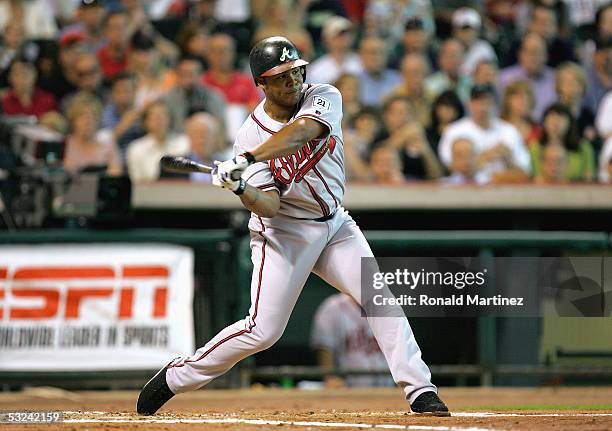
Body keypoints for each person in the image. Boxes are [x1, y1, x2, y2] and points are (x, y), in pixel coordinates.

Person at [137, 36, 449, 417]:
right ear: (262, 84)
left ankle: (420, 391)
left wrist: (248, 160)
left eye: (296, 71)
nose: (293, 81)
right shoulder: (250, 134)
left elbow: (304, 131)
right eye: (282, 76)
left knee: (379, 299)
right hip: (284, 232)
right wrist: (240, 185)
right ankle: (177, 377)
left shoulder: (324, 95)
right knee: (262, 332)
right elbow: (268, 204)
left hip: (335, 224)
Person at [438, 84, 531, 184]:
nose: (482, 107)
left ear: (495, 104)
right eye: (477, 102)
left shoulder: (510, 131)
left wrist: (508, 159)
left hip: (502, 189)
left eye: (487, 101)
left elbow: (526, 171)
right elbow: (450, 166)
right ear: (469, 103)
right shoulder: (454, 131)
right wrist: (486, 156)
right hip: (465, 190)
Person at [311, 292, 393, 388]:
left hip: (387, 390)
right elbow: (324, 348)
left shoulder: (387, 306)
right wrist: (330, 378)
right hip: (349, 390)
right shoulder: (333, 307)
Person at [126, 99, 190, 183]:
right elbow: (136, 182)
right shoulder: (136, 148)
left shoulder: (184, 142)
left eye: (163, 116)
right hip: (149, 193)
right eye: (155, 117)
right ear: (146, 121)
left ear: (170, 119)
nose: (159, 121)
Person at [529, 103, 595, 182]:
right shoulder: (535, 148)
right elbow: (537, 178)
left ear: (570, 122)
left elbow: (589, 178)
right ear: (544, 122)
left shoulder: (584, 147)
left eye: (560, 119)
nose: (555, 123)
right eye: (552, 118)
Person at [498, 32, 556, 121]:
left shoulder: (555, 79)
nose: (533, 57)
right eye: (529, 51)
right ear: (520, 54)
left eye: (538, 52)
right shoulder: (504, 78)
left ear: (546, 56)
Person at [63, 93, 123, 176]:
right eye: (82, 116)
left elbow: (116, 174)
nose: (88, 122)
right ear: (73, 120)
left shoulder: (107, 142)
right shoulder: (64, 145)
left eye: (93, 116)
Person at [356, 36, 401, 107]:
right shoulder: (354, 82)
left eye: (381, 52)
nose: (376, 57)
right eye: (372, 53)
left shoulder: (398, 79)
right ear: (361, 55)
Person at [451, 7, 497, 77]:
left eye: (469, 29)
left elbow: (493, 74)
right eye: (462, 29)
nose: (466, 33)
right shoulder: (450, 48)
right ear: (454, 31)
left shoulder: (484, 48)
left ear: (477, 30)